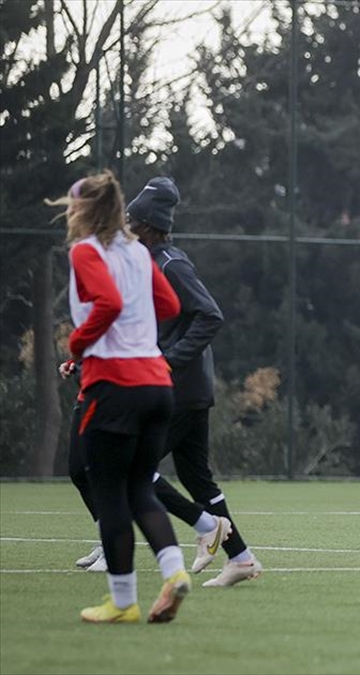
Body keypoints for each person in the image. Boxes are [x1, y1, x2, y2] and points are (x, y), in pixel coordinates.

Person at [51, 170, 191, 623]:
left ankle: (123, 601)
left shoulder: (86, 252)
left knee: (109, 492)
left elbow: (108, 303)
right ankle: (173, 573)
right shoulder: (136, 250)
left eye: (73, 206)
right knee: (139, 487)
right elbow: (169, 305)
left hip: (115, 386)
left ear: (85, 212)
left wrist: (79, 343)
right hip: (157, 384)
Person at [124, 176, 263, 587]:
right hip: (187, 388)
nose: (127, 227)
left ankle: (205, 526)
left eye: (132, 221)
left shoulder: (171, 264)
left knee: (134, 467)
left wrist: (168, 362)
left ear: (148, 227)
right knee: (197, 477)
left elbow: (210, 315)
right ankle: (241, 558)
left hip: (180, 390)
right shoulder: (151, 263)